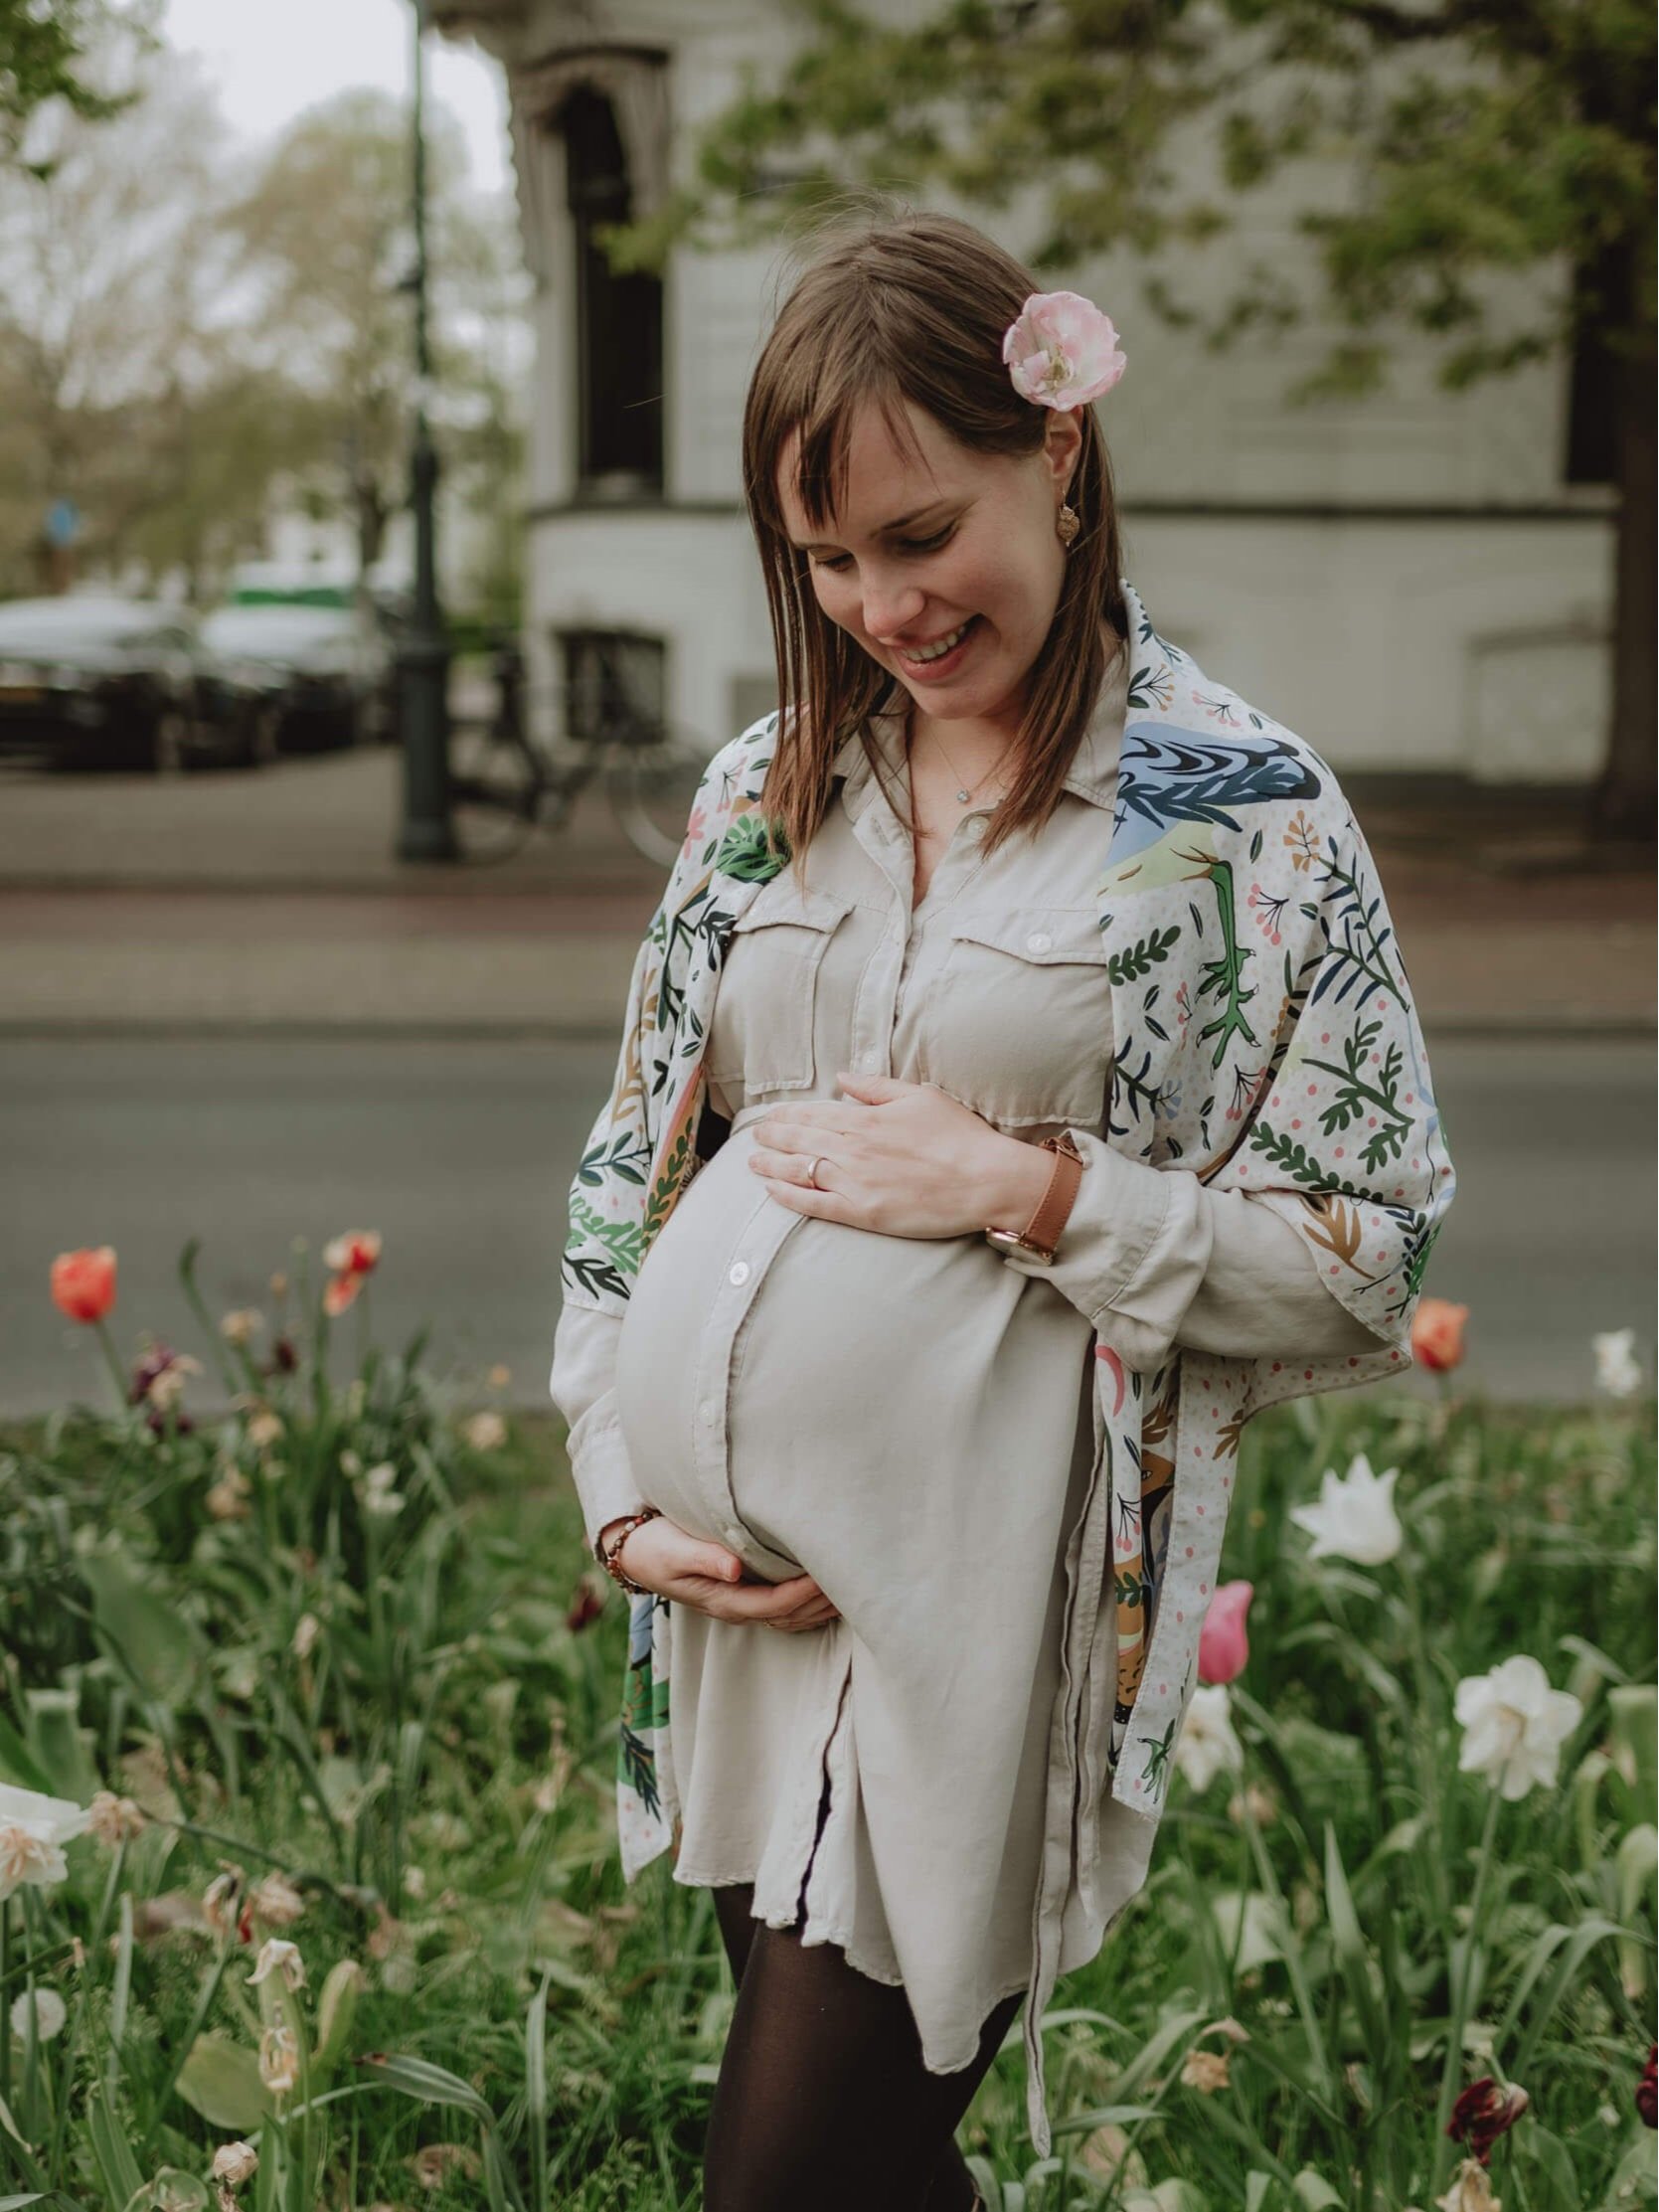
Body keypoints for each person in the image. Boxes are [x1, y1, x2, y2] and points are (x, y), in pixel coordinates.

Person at [551, 208, 1453, 2210]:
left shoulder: (1235, 819)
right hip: (737, 1605)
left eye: (922, 531)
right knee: (865, 2179)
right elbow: (634, 1170)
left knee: (782, 2185)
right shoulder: (761, 791)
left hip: (976, 1608)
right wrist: (621, 1484)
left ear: (1057, 447)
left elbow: (1370, 1252)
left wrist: (1030, 1188)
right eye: (831, 557)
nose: (882, 601)